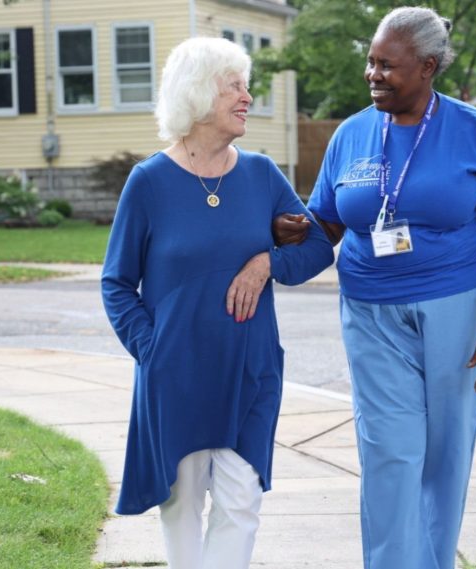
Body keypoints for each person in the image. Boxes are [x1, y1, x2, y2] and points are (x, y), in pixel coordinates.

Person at [273, 7, 476, 569]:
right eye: (371, 62)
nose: (373, 74)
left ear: (428, 67)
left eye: (388, 65)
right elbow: (327, 224)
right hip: (370, 310)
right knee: (389, 451)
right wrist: (286, 235)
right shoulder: (351, 133)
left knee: (445, 453)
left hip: (458, 308)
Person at [101, 37, 334, 569]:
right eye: (234, 86)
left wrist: (266, 262)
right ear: (198, 93)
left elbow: (319, 245)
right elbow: (117, 283)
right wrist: (152, 348)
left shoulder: (260, 174)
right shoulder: (149, 183)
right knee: (182, 502)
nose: (246, 96)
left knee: (241, 497)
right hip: (176, 370)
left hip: (250, 366)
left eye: (244, 86)